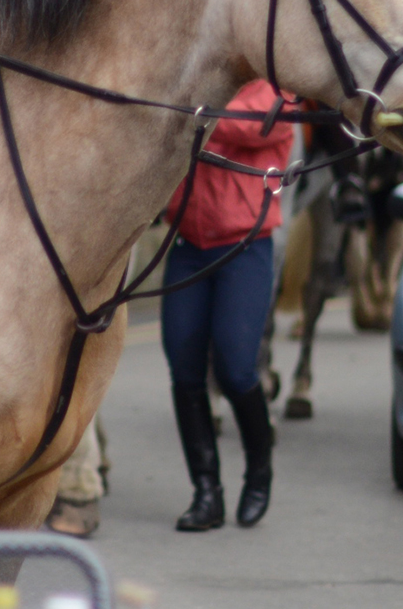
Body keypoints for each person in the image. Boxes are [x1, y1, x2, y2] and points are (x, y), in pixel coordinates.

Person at [160, 78, 292, 532]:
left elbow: (247, 127)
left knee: (237, 369)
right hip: (188, 244)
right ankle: (206, 493)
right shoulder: (203, 77)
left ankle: (259, 470)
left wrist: (187, 106)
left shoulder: (276, 88)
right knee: (185, 368)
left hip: (244, 246)